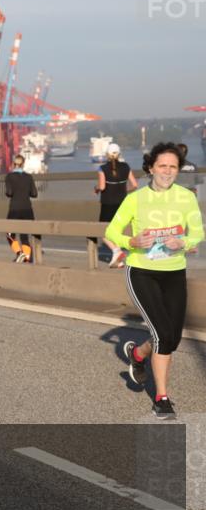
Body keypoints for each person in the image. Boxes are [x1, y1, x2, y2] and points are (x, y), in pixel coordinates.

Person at [106, 142, 203, 420]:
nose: (168, 171)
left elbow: (197, 231)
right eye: (163, 166)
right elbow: (112, 230)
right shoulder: (136, 198)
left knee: (170, 337)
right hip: (141, 271)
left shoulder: (186, 197)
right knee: (162, 335)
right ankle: (161, 398)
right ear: (150, 167)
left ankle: (138, 355)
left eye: (173, 166)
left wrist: (183, 241)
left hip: (174, 272)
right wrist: (131, 240)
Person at [96, 142, 138, 268]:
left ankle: (116, 251)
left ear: (106, 155)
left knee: (102, 231)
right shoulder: (126, 167)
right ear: (119, 154)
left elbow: (102, 186)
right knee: (117, 230)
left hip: (107, 203)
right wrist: (125, 191)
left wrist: (96, 188)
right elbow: (135, 185)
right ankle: (118, 260)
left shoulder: (102, 169)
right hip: (122, 203)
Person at [5, 153, 38, 263]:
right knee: (24, 235)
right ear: (23, 164)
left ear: (14, 164)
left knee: (9, 234)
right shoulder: (29, 177)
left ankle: (19, 253)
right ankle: (27, 258)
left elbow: (9, 193)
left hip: (15, 209)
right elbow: (34, 194)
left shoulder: (9, 177)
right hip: (27, 209)